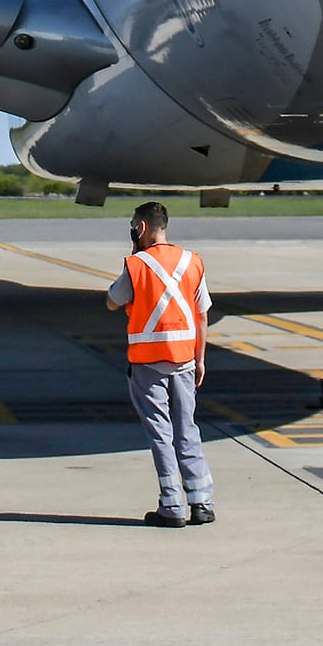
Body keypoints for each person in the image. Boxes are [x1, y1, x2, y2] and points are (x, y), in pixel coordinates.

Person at [107, 200, 214, 527]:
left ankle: (172, 506)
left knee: (160, 432)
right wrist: (200, 359)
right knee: (187, 430)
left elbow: (113, 301)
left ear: (140, 228)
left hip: (148, 364)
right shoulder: (192, 261)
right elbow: (202, 314)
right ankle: (201, 502)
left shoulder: (136, 265)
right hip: (184, 360)